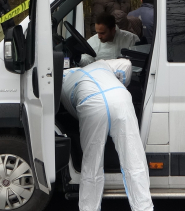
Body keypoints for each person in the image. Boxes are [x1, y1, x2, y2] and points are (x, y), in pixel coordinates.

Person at [61, 59, 154, 211]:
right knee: (133, 157)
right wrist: (122, 83)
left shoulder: (63, 83)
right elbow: (126, 65)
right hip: (120, 97)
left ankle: (89, 208)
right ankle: (144, 208)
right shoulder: (101, 63)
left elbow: (74, 112)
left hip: (91, 104)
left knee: (92, 162)